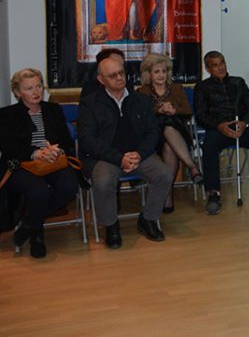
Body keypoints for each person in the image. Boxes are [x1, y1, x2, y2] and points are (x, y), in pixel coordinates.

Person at [78, 57, 173, 248]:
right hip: (105, 158)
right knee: (103, 181)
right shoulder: (90, 103)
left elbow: (153, 132)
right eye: (113, 75)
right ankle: (111, 226)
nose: (119, 78)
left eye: (121, 73)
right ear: (101, 80)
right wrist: (119, 158)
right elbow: (88, 140)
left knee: (164, 174)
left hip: (138, 155)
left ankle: (148, 219)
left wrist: (139, 154)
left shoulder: (140, 99)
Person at [0, 69, 78, 258]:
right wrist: (36, 153)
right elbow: (9, 148)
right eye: (29, 88)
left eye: (38, 86)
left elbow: (66, 141)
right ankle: (37, 235)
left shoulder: (53, 109)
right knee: (39, 191)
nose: (36, 92)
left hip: (53, 161)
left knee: (70, 186)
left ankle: (29, 223)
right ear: (17, 92)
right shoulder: (7, 114)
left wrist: (56, 151)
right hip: (22, 164)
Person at [194, 51, 249, 215]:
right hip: (218, 129)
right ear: (208, 69)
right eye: (215, 65)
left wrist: (244, 123)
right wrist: (219, 125)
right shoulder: (202, 87)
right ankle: (214, 193)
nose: (221, 67)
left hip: (241, 128)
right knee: (209, 145)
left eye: (222, 63)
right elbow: (201, 115)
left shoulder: (239, 82)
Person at [137, 53, 203, 213]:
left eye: (164, 71)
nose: (161, 75)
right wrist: (158, 110)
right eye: (156, 71)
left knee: (169, 133)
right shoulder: (142, 92)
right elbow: (140, 116)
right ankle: (192, 167)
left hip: (178, 132)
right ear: (148, 74)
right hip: (154, 136)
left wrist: (174, 110)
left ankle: (167, 195)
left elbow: (188, 111)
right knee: (167, 145)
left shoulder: (176, 89)